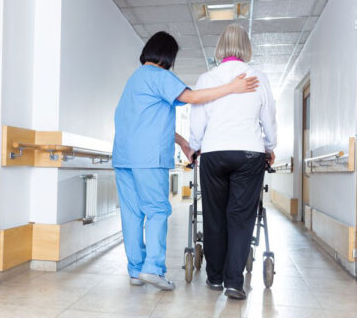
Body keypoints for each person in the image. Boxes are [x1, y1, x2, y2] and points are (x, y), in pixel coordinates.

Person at [112, 31, 259, 291]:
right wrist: (231, 88)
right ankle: (152, 270)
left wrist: (182, 142)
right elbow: (192, 97)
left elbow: (144, 123)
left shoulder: (133, 81)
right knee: (157, 210)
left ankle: (135, 270)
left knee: (132, 214)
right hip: (149, 158)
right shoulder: (159, 76)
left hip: (124, 157)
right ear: (168, 56)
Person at [189, 24, 277, 299]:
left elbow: (197, 122)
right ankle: (233, 282)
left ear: (219, 48)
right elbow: (269, 120)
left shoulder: (206, 78)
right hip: (249, 153)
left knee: (214, 216)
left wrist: (194, 148)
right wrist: (270, 147)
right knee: (241, 218)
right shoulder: (259, 77)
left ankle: (214, 278)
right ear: (246, 48)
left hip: (214, 153)